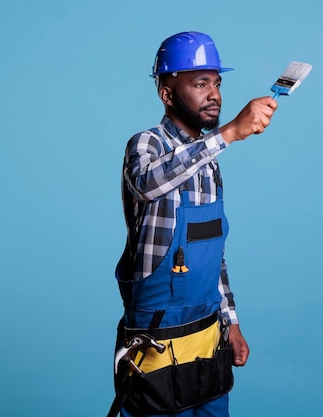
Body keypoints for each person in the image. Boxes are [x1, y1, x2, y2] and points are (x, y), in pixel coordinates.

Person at [113, 31, 277, 417]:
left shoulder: (209, 164)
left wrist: (231, 323)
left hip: (207, 345)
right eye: (200, 83)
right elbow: (147, 183)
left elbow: (212, 252)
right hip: (156, 348)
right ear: (167, 94)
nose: (215, 94)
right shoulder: (147, 145)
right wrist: (230, 132)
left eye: (217, 83)